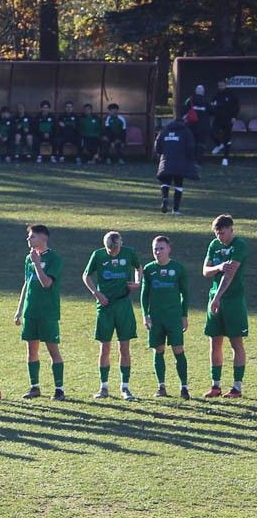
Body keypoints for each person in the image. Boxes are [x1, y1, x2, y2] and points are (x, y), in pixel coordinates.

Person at [82, 231, 142, 400]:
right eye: (110, 250)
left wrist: (137, 282)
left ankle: (125, 387)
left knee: (124, 347)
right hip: (105, 306)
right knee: (105, 347)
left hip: (123, 304)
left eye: (115, 249)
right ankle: (103, 387)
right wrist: (96, 293)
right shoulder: (98, 255)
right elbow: (86, 275)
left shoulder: (129, 253)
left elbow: (138, 267)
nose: (113, 252)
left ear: (120, 244)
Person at [15, 224, 66, 400]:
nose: (28, 240)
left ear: (43, 238)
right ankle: (34, 387)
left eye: (32, 237)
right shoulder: (28, 258)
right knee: (31, 350)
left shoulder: (54, 259)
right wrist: (19, 309)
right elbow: (26, 283)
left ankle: (59, 389)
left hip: (47, 312)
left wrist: (37, 263)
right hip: (31, 311)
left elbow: (46, 283)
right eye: (29, 237)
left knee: (53, 350)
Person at [202, 214, 248, 398]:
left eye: (222, 233)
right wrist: (219, 267)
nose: (219, 237)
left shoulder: (239, 246)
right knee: (215, 341)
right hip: (215, 299)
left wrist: (218, 297)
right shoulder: (214, 245)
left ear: (231, 229)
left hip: (233, 300)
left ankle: (237, 386)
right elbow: (205, 271)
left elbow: (230, 275)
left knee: (236, 342)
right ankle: (215, 385)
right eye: (216, 233)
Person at [141, 235, 190, 399]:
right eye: (155, 248)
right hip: (156, 317)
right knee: (158, 349)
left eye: (161, 248)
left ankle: (184, 387)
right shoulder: (149, 269)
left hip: (174, 317)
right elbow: (144, 294)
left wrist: (184, 315)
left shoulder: (178, 268)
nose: (158, 252)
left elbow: (186, 294)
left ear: (169, 249)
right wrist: (145, 315)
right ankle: (161, 387)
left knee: (178, 350)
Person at [154, 112, 197, 215]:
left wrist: (161, 154)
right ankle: (175, 209)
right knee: (178, 184)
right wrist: (191, 158)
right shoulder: (186, 131)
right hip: (180, 162)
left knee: (165, 182)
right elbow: (190, 147)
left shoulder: (164, 131)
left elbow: (157, 145)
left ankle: (165, 198)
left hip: (166, 161)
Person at [209, 78, 240, 166]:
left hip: (228, 119)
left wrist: (234, 117)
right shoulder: (217, 94)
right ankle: (219, 145)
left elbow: (237, 106)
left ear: (225, 85)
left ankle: (225, 158)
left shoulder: (231, 94)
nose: (220, 87)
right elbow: (212, 104)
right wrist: (212, 106)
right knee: (212, 132)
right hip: (218, 119)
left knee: (227, 138)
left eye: (222, 85)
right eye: (219, 85)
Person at [183, 83, 210, 159]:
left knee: (192, 141)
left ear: (195, 91)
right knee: (201, 143)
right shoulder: (206, 101)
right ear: (203, 92)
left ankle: (191, 158)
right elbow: (212, 111)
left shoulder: (189, 99)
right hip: (203, 126)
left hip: (191, 125)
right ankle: (199, 159)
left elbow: (184, 110)